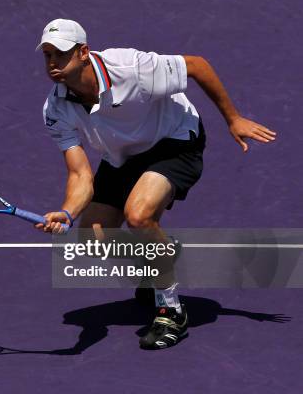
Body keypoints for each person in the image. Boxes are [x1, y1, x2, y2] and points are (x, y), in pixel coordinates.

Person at [34, 18, 276, 349]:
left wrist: (233, 118)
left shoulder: (132, 69)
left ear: (83, 53)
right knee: (92, 238)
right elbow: (79, 175)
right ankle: (160, 255)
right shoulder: (55, 106)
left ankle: (171, 309)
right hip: (122, 154)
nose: (52, 64)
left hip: (174, 141)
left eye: (59, 55)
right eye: (47, 55)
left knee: (139, 216)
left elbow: (196, 65)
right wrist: (67, 211)